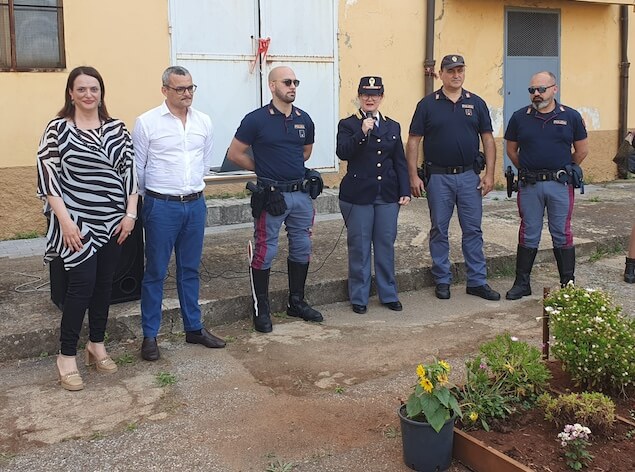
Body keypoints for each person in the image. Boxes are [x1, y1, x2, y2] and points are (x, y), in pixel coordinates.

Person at [37, 66, 138, 391]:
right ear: (71, 93)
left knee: (104, 285)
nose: (88, 94)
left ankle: (96, 344)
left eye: (93, 89)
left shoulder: (116, 128)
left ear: (101, 92)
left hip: (113, 219)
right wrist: (64, 221)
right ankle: (66, 356)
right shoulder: (57, 129)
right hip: (75, 222)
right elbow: (48, 178)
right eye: (81, 89)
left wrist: (130, 214)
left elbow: (130, 172)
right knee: (80, 286)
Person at [133, 65, 225, 361]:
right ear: (165, 90)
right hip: (161, 206)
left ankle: (194, 328)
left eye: (190, 88)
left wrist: (192, 191)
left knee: (190, 269)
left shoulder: (204, 122)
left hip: (195, 204)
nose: (187, 94)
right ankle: (150, 336)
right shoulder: (147, 123)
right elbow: (139, 170)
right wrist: (146, 204)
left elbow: (204, 162)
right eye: (180, 89)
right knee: (155, 272)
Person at [227, 65, 323, 333]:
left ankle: (297, 302)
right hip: (272, 197)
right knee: (265, 251)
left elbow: (304, 153)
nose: (292, 87)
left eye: (295, 82)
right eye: (286, 82)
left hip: (300, 196)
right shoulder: (255, 119)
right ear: (272, 86)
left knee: (302, 247)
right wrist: (264, 169)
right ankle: (262, 308)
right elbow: (235, 154)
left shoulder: (304, 119)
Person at [405, 54, 500, 301]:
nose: (456, 75)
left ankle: (477, 281)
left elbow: (488, 139)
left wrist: (490, 173)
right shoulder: (427, 105)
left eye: (460, 70)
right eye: (451, 71)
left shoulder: (476, 103)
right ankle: (442, 280)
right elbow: (414, 141)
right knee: (439, 229)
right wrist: (413, 175)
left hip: (470, 177)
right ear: (441, 74)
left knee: (473, 230)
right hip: (438, 178)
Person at [504, 71, 588, 299]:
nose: (536, 94)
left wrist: (564, 169)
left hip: (559, 185)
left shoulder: (570, 116)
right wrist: (529, 169)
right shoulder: (519, 117)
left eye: (541, 89)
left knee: (561, 233)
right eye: (532, 90)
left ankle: (567, 285)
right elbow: (511, 150)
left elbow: (582, 150)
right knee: (528, 233)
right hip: (530, 185)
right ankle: (522, 284)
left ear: (554, 89)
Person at [336, 76, 411, 314]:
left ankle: (388, 293)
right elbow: (343, 152)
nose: (370, 98)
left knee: (385, 245)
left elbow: (399, 160)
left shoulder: (392, 125)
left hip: (387, 195)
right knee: (359, 246)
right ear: (359, 96)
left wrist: (405, 189)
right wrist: (361, 132)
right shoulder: (348, 124)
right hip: (358, 195)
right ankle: (359, 296)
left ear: (381, 97)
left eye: (375, 94)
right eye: (365, 94)